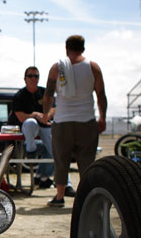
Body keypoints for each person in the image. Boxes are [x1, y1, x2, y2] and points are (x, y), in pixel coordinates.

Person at [43, 35, 107, 207]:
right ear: (83, 48)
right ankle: (86, 198)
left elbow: (48, 95)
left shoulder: (57, 68)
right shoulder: (93, 68)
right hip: (86, 120)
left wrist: (45, 114)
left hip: (62, 121)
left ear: (66, 48)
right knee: (86, 161)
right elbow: (101, 95)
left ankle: (59, 196)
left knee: (61, 160)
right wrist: (103, 117)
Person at [8, 66, 74, 193]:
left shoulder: (45, 92)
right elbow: (21, 117)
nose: (33, 79)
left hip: (45, 127)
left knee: (55, 152)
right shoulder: (19, 96)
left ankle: (62, 183)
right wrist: (35, 114)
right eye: (30, 76)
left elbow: (54, 108)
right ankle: (30, 149)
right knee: (30, 122)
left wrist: (46, 116)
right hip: (28, 130)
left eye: (36, 76)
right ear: (25, 78)